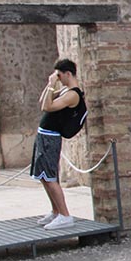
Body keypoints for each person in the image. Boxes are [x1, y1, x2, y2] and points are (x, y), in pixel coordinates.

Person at [31, 59, 83, 230]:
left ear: (68, 74)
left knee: (50, 177)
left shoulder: (73, 94)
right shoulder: (64, 90)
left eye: (60, 76)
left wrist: (53, 85)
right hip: (44, 136)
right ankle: (56, 211)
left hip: (50, 139)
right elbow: (42, 101)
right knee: (44, 177)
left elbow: (48, 107)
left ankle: (65, 215)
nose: (58, 79)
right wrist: (50, 85)